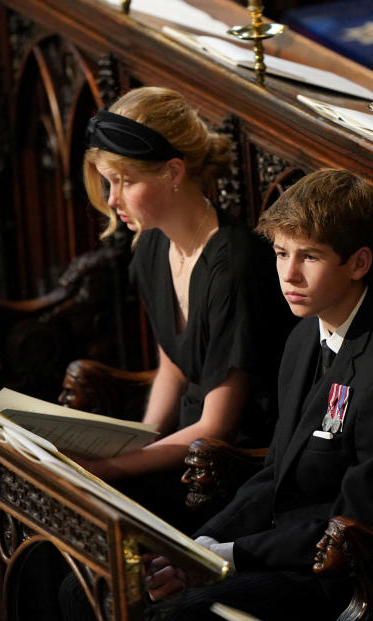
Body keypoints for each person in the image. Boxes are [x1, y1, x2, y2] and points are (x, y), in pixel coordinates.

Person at [126, 167, 373, 621]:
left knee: (178, 618)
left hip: (340, 571)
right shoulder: (303, 336)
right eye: (281, 253)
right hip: (284, 548)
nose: (288, 274)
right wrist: (197, 545)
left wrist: (230, 556)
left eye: (310, 257)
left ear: (359, 263)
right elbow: (274, 473)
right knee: (123, 586)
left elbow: (357, 521)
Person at [75, 87, 291, 526]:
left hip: (228, 474)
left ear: (174, 172)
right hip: (181, 450)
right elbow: (173, 367)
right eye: (108, 182)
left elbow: (218, 429)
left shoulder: (234, 267)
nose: (112, 200)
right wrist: (139, 441)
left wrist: (108, 471)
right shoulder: (151, 246)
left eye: (126, 181)